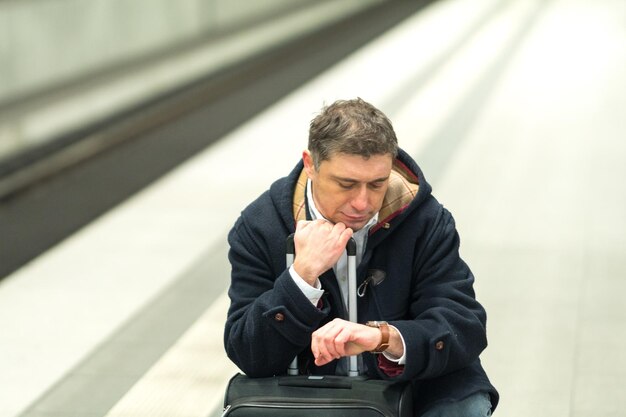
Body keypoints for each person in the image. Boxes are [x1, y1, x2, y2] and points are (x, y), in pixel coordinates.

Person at [224, 98, 499, 416]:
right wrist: (301, 278)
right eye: (346, 184)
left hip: (417, 387)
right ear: (311, 164)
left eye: (377, 184)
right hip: (302, 396)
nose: (362, 202)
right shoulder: (262, 226)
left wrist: (384, 338)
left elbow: (462, 327)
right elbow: (248, 353)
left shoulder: (425, 220)